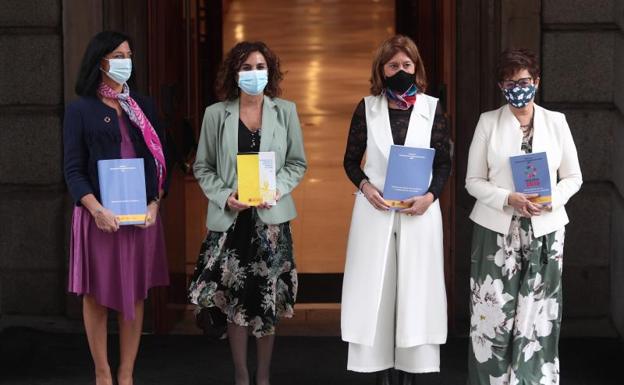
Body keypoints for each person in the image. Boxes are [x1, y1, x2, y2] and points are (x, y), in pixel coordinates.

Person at [189, 41, 307, 385]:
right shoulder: (216, 114)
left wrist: (277, 187)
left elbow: (298, 162)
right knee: (234, 301)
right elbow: (203, 167)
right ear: (234, 74)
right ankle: (241, 375)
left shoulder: (285, 111)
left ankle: (264, 376)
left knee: (266, 301)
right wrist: (225, 196)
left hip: (270, 223)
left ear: (269, 72)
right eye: (246, 67)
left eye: (259, 67)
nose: (253, 74)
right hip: (231, 222)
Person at [465, 48, 582, 385]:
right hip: (496, 233)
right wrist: (508, 198)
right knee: (493, 318)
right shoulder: (488, 122)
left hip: (546, 231)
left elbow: (573, 177)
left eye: (525, 81)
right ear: (501, 86)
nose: (519, 88)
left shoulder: (556, 122)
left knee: (538, 316)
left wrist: (552, 199)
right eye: (511, 82)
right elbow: (472, 181)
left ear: (537, 82)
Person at [341, 34, 451, 385]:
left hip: (420, 213)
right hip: (375, 211)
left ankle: (412, 373)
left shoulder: (432, 109)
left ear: (416, 68)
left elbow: (445, 162)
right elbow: (349, 161)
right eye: (393, 66)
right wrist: (366, 188)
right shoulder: (368, 108)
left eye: (406, 65)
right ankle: (378, 373)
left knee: (415, 291)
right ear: (381, 70)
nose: (400, 70)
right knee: (376, 289)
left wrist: (430, 197)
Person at [63, 31, 169, 385]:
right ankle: (102, 373)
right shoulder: (80, 109)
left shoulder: (143, 106)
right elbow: (73, 170)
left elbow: (159, 162)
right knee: (96, 296)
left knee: (134, 291)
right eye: (118, 56)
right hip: (99, 218)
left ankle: (126, 373)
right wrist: (95, 209)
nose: (126, 62)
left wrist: (155, 203)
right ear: (101, 61)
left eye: (129, 55)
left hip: (139, 217)